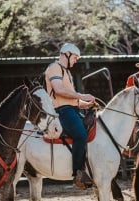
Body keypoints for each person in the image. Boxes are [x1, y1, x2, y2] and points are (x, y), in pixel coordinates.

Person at [44, 43, 97, 189]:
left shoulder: (67, 72)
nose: (75, 61)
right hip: (61, 110)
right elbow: (59, 90)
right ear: (66, 54)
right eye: (74, 57)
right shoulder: (54, 67)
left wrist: (86, 104)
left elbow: (72, 99)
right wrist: (83, 95)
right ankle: (78, 174)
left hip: (71, 109)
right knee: (80, 135)